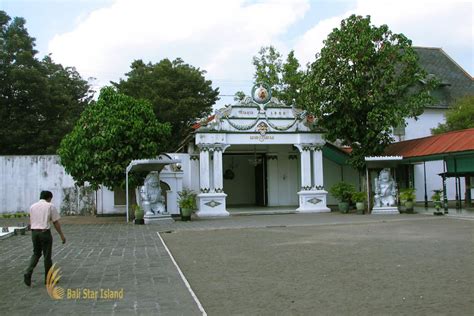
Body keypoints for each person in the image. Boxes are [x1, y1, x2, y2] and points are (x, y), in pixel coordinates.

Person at [24, 190, 66, 287]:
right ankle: (49, 279)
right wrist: (62, 235)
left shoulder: (32, 206)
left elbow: (32, 220)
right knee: (47, 256)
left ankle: (28, 272)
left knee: (36, 253)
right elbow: (55, 222)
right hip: (44, 233)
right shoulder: (50, 206)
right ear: (49, 198)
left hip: (34, 233)